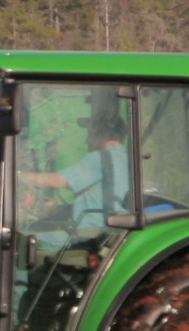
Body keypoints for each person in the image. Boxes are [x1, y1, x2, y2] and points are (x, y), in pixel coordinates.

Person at [21, 99, 131, 240]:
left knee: (22, 242)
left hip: (89, 234)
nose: (87, 139)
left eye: (90, 131)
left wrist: (18, 175)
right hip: (107, 232)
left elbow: (57, 181)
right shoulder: (125, 158)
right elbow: (100, 196)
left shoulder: (101, 158)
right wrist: (56, 209)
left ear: (102, 132)